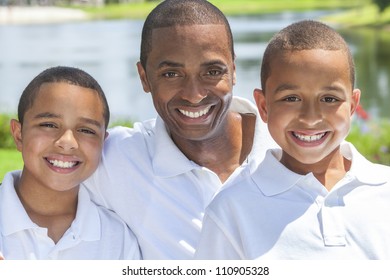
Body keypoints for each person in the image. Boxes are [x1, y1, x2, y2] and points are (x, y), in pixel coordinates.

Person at [83, 0, 276, 259]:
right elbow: (30, 189)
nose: (194, 95)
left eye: (212, 71)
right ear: (144, 78)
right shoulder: (114, 160)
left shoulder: (289, 150)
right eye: (171, 74)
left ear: (233, 70)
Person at [195, 20, 390, 260]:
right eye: (291, 98)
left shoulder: (384, 190)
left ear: (352, 105)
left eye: (329, 99)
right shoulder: (231, 211)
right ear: (263, 106)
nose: (310, 117)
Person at [0, 66, 141, 260]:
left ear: (103, 142)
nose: (67, 142)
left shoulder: (118, 239)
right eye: (49, 125)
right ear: (18, 135)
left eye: (86, 130)